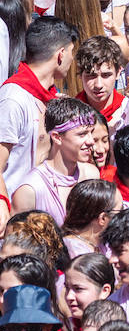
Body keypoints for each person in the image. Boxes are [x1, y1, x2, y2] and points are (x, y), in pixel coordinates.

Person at [0, 17, 79, 219]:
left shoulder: (50, 97)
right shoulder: (14, 99)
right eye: (72, 53)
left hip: (41, 218)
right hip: (13, 220)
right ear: (61, 55)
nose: (73, 60)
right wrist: (3, 208)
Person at [11, 97, 99, 226]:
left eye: (91, 133)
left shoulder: (91, 174)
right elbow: (17, 243)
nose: (91, 141)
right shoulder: (31, 190)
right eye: (82, 134)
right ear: (57, 137)